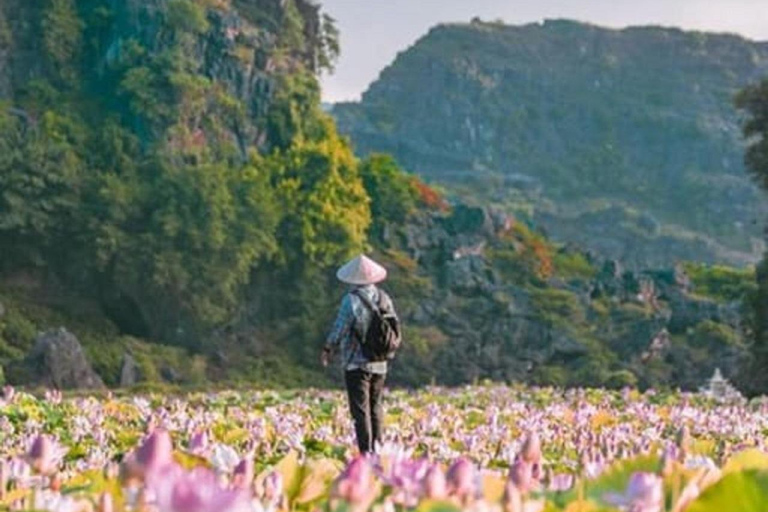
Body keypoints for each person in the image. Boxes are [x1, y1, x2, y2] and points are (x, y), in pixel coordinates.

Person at [322, 254, 398, 455]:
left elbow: (341, 328)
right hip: (380, 362)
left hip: (356, 363)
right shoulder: (384, 297)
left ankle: (366, 454)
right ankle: (378, 451)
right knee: (376, 408)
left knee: (360, 410)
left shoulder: (351, 300)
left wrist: (328, 348)